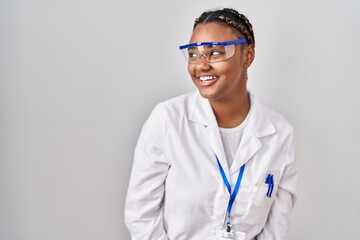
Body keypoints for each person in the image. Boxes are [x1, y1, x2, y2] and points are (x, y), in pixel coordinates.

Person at [124, 8, 297, 240]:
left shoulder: (279, 134)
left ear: (248, 55)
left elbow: (276, 229)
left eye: (215, 52)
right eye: (193, 54)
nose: (201, 65)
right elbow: (140, 216)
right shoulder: (168, 120)